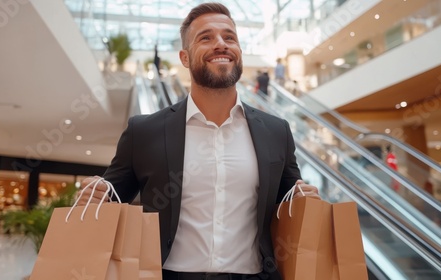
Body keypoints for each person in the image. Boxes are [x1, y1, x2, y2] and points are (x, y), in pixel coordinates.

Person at [78, 3, 320, 280]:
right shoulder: (143, 131)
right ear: (184, 56)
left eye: (229, 37)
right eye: (206, 37)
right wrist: (95, 194)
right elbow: (111, 196)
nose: (221, 44)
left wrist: (304, 197)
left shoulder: (276, 131)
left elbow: (290, 202)